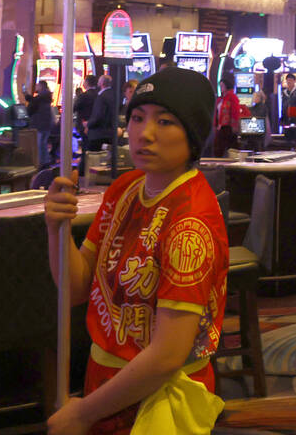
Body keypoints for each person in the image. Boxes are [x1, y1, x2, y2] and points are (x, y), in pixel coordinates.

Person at [41, 67, 228, 435]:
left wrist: (82, 414)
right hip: (106, 382)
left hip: (158, 397)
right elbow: (76, 288)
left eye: (166, 121)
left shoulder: (191, 221)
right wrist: (56, 230)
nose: (145, 133)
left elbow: (167, 356)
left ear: (192, 135)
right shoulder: (126, 189)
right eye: (138, 117)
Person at [85, 74, 117, 152]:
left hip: (98, 134)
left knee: (91, 159)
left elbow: (98, 116)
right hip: (111, 133)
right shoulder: (114, 94)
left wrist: (88, 124)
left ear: (101, 83)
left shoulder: (101, 96)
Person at [26, 81, 55, 165]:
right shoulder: (46, 97)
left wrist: (27, 97)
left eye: (37, 85)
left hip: (39, 124)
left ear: (41, 86)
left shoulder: (40, 97)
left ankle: (39, 163)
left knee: (39, 145)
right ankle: (45, 161)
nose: (36, 87)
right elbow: (34, 100)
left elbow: (31, 108)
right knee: (43, 144)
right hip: (46, 124)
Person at [214, 73, 242, 157]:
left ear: (227, 86)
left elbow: (235, 111)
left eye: (222, 85)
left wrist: (234, 125)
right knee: (218, 148)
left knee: (228, 148)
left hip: (228, 127)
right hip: (221, 126)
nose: (221, 87)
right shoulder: (221, 99)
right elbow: (217, 113)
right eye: (220, 85)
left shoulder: (232, 97)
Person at [281, 73, 296, 147]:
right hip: (286, 120)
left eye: (291, 80)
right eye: (288, 80)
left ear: (294, 81)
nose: (289, 82)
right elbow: (283, 106)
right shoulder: (284, 92)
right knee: (287, 140)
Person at [74, 74, 100, 145]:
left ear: (87, 83)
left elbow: (74, 108)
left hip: (84, 124)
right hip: (96, 124)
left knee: (85, 146)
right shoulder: (99, 95)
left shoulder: (83, 96)